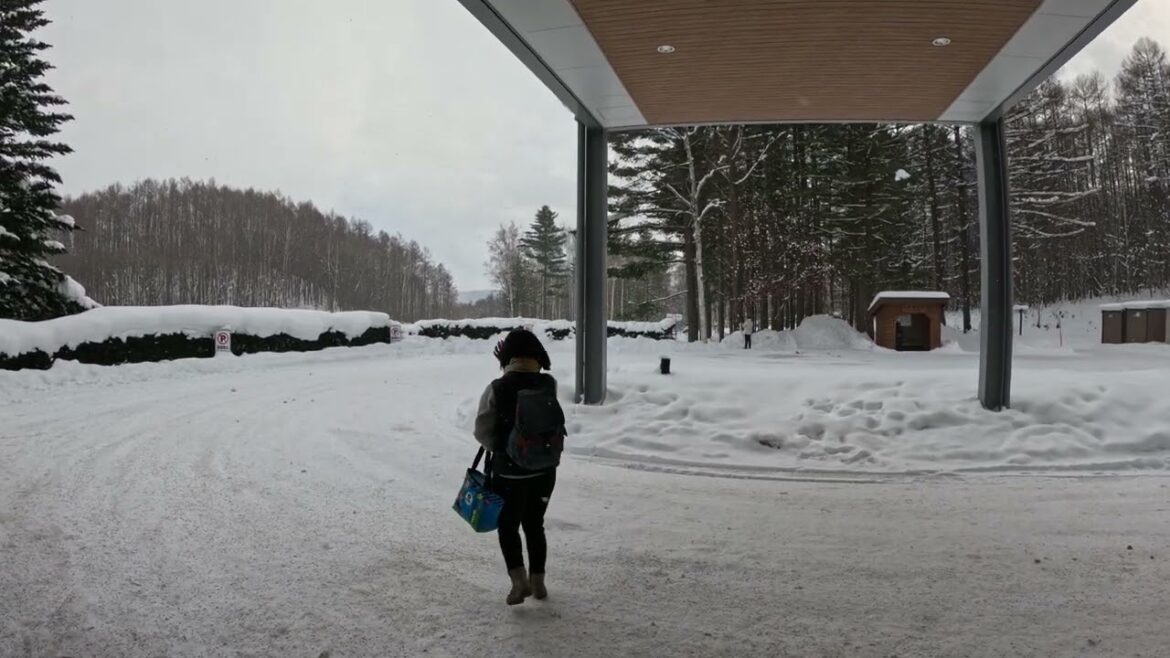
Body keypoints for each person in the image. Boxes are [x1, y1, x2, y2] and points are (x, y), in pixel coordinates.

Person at [473, 329, 560, 605]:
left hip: (508, 471)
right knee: (535, 524)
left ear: (507, 356)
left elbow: (482, 431)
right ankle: (539, 582)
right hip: (545, 470)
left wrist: (500, 446)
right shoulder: (549, 384)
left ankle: (518, 582)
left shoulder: (497, 387)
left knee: (508, 526)